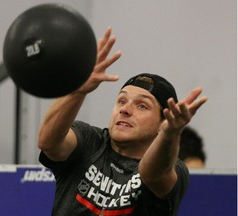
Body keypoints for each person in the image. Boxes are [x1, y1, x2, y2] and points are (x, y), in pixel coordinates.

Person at [38, 27, 207, 216]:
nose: (125, 109)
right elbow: (48, 142)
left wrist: (170, 133)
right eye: (121, 101)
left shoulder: (174, 169)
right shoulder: (90, 142)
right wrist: (79, 89)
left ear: (163, 122)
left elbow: (151, 174)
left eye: (142, 106)